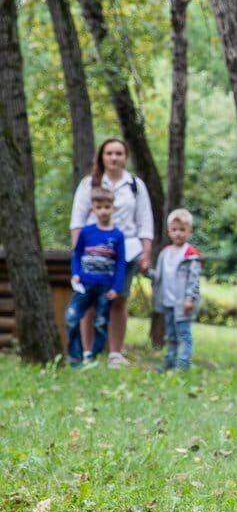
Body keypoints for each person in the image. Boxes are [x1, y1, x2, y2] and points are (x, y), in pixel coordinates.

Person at [69, 138, 154, 368]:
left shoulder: (135, 185)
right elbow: (77, 220)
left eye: (118, 153)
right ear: (102, 156)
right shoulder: (90, 183)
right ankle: (88, 352)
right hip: (93, 251)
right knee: (90, 301)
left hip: (126, 250)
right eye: (109, 153)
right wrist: (77, 253)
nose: (114, 158)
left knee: (118, 299)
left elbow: (145, 222)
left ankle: (115, 353)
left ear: (125, 156)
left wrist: (146, 254)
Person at [66, 187, 126, 368]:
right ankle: (76, 357)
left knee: (101, 322)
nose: (103, 211)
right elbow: (76, 255)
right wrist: (76, 274)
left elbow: (121, 263)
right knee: (72, 317)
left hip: (105, 287)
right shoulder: (86, 232)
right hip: (84, 284)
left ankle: (94, 356)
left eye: (107, 207)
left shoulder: (117, 235)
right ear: (93, 209)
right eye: (99, 207)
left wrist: (116, 288)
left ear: (113, 209)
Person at [151, 209, 202, 372]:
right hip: (167, 301)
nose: (178, 234)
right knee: (170, 334)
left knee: (184, 334)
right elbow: (158, 276)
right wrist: (146, 271)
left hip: (182, 303)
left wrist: (190, 298)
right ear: (169, 231)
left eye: (182, 230)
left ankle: (184, 363)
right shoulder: (165, 253)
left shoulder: (190, 255)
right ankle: (170, 360)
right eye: (174, 230)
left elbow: (194, 280)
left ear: (189, 231)